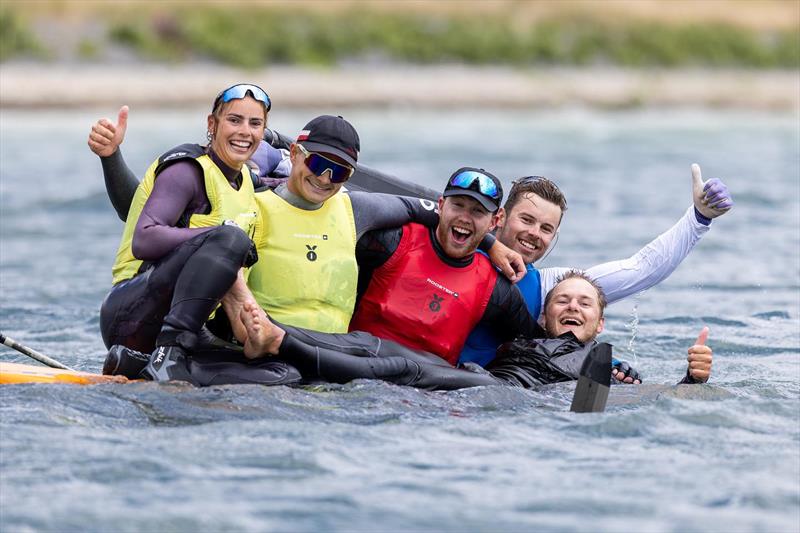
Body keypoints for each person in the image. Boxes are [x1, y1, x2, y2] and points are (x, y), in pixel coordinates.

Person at [93, 114, 525, 383]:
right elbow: (152, 218)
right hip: (261, 347)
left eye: (339, 172)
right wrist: (113, 160)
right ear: (295, 153)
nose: (324, 179)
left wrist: (491, 241)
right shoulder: (251, 200)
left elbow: (432, 208)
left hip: (330, 365)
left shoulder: (359, 207)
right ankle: (163, 359)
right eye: (318, 164)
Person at [90, 83, 293, 385]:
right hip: (132, 314)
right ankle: (168, 357)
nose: (245, 132)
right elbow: (144, 237)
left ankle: (138, 365)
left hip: (190, 328)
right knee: (231, 238)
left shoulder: (247, 184)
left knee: (283, 374)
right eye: (234, 120)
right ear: (212, 124)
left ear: (263, 132)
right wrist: (220, 235)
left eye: (255, 123)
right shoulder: (186, 169)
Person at [234, 271, 712, 390]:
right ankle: (264, 329)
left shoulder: (604, 362)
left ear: (599, 322)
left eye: (584, 303)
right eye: (562, 300)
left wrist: (692, 380)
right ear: (543, 316)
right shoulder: (527, 336)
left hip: (502, 398)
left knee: (400, 368)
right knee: (374, 345)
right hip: (469, 376)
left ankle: (280, 344)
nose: (572, 307)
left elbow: (614, 410)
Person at [459, 167, 733, 369]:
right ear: (500, 217)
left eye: (546, 228)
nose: (534, 233)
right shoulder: (457, 246)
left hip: (495, 392)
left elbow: (641, 269)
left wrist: (699, 218)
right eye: (527, 220)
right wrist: (489, 243)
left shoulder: (550, 287)